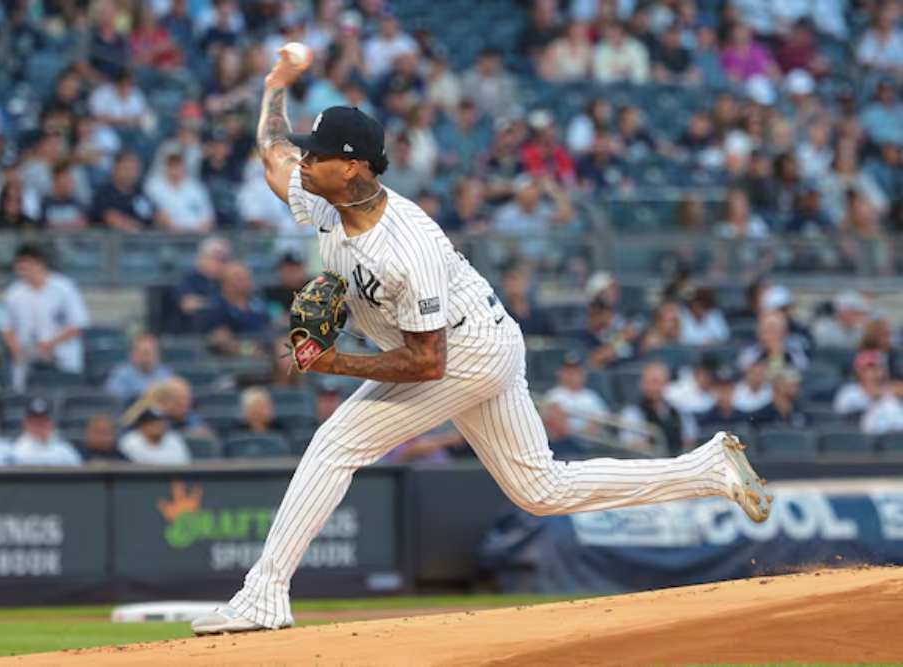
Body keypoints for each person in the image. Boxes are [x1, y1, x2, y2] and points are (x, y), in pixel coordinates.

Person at [189, 48, 772, 636]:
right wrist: (275, 84)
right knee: (540, 488)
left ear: (355, 167)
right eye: (308, 151)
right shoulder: (324, 197)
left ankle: (264, 593)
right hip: (485, 338)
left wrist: (334, 361)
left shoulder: (405, 247)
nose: (305, 161)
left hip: (464, 352)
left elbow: (428, 361)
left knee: (335, 444)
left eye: (318, 154)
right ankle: (707, 470)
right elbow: (272, 152)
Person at [2, 244, 90, 390]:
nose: (21, 271)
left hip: (62, 356)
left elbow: (78, 325)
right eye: (19, 267)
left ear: (39, 263)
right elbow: (6, 328)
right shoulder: (14, 293)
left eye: (25, 266)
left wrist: (50, 344)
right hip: (28, 358)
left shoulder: (64, 288)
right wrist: (15, 348)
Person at [203, 262, 271, 352]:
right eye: (238, 278)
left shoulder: (259, 304)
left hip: (266, 355)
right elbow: (223, 342)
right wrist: (250, 350)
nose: (245, 281)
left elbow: (269, 330)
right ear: (225, 283)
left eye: (246, 277)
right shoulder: (217, 308)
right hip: (233, 362)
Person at [144, 151, 216, 233]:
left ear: (184, 167)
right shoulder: (154, 186)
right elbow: (153, 212)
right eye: (172, 166)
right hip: (166, 234)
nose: (175, 169)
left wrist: (200, 230)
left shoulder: (196, 187)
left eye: (178, 165)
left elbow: (209, 217)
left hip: (196, 234)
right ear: (166, 167)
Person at [542, 353, 610, 437]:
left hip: (591, 442)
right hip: (564, 442)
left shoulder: (591, 396)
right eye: (568, 371)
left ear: (583, 374)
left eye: (576, 371)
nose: (573, 375)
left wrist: (588, 431)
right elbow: (558, 426)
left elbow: (602, 422)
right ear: (561, 373)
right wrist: (580, 433)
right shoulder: (554, 395)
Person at [90, 151, 154, 232]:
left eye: (134, 169)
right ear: (115, 169)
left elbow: (152, 216)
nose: (131, 173)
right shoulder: (103, 194)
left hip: (142, 240)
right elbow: (110, 217)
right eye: (127, 168)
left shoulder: (141, 194)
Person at [104, 332, 174, 403]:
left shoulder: (164, 373)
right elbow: (113, 400)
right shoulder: (121, 374)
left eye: (151, 353)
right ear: (132, 354)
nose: (147, 358)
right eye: (144, 353)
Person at [12, 398, 82, 466]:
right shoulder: (16, 451)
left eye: (43, 421)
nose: (39, 425)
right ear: (26, 423)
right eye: (34, 421)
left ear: (51, 423)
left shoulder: (64, 449)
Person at [118, 406, 191, 464]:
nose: (158, 425)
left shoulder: (174, 439)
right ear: (141, 425)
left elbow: (184, 466)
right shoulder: (129, 441)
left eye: (161, 422)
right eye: (152, 422)